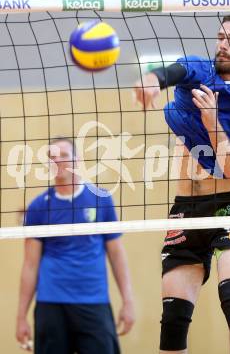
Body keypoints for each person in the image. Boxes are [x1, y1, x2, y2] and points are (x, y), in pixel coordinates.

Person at [134, 14, 230, 354]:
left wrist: (213, 124)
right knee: (174, 319)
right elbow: (172, 73)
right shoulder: (199, 70)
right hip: (186, 211)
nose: (223, 44)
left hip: (229, 206)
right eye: (221, 37)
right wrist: (152, 79)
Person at [16, 137, 135, 354]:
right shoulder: (38, 207)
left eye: (63, 156)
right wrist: (21, 316)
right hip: (51, 303)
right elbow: (30, 265)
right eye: (52, 157)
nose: (57, 161)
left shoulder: (101, 200)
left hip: (93, 300)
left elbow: (117, 255)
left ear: (77, 160)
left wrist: (128, 301)